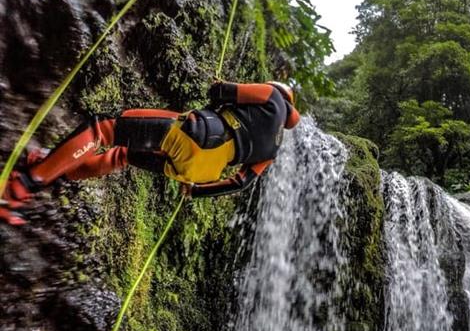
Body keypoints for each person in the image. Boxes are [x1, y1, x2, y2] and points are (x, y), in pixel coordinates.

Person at [0, 81, 301, 225]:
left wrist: (219, 91)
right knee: (122, 155)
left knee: (104, 129)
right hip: (201, 170)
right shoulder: (272, 151)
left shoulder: (272, 95)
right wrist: (195, 192)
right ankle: (59, 169)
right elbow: (241, 182)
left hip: (199, 136)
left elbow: (221, 91)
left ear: (279, 91)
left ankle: (26, 183)